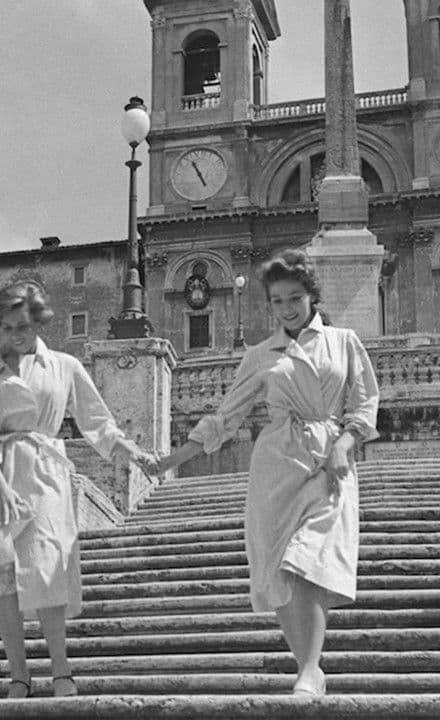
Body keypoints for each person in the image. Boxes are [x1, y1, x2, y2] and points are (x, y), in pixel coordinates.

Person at [151, 249, 379, 697]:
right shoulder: (260, 355)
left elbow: (365, 403)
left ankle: (311, 668)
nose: (287, 308)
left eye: (295, 298)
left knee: (307, 559)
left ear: (311, 296)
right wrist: (171, 461)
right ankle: (307, 668)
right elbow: (224, 419)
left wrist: (344, 445)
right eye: (277, 301)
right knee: (281, 570)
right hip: (276, 465)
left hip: (327, 462)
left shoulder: (344, 341)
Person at [0, 281, 157, 699]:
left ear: (39, 321)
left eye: (22, 326)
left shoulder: (64, 366)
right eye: (5, 327)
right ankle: (18, 676)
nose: (14, 336)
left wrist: (129, 450)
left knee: (47, 566)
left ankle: (62, 671)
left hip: (45, 475)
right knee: (1, 576)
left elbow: (97, 421)